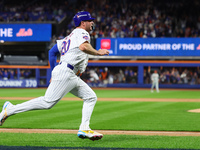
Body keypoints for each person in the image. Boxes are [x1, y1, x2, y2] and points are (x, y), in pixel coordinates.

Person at [0, 11, 109, 141]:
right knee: (47, 102)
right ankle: (9, 110)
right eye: (90, 20)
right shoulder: (82, 33)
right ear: (83, 23)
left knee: (91, 97)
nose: (92, 22)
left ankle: (84, 128)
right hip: (67, 72)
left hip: (71, 75)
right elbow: (83, 47)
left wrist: (53, 71)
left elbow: (52, 52)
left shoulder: (70, 37)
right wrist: (98, 52)